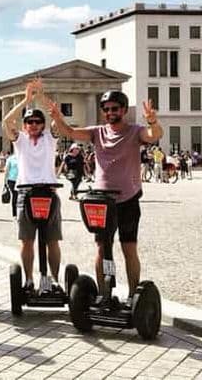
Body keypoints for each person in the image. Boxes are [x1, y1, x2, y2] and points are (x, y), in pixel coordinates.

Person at [49, 90, 162, 303]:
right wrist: (57, 117)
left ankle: (132, 296)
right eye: (106, 109)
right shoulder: (97, 132)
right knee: (102, 247)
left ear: (124, 110)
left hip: (128, 199)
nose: (110, 112)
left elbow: (153, 135)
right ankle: (104, 293)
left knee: (129, 247)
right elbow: (70, 132)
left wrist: (152, 121)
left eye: (114, 109)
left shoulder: (135, 131)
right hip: (101, 201)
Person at [2, 78, 63, 292]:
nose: (34, 124)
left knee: (52, 240)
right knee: (27, 240)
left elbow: (58, 120)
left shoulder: (50, 138)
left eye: (38, 121)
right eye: (29, 122)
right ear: (25, 125)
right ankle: (29, 280)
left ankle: (54, 280)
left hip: (48, 191)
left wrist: (41, 97)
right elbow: (6, 122)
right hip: (26, 192)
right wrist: (26, 100)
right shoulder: (20, 140)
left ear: (43, 124)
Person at [3, 151, 19, 217]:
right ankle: (15, 214)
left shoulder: (23, 157)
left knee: (19, 197)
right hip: (12, 180)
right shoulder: (10, 159)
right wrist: (5, 182)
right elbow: (6, 170)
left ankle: (20, 213)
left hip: (21, 180)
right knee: (15, 195)